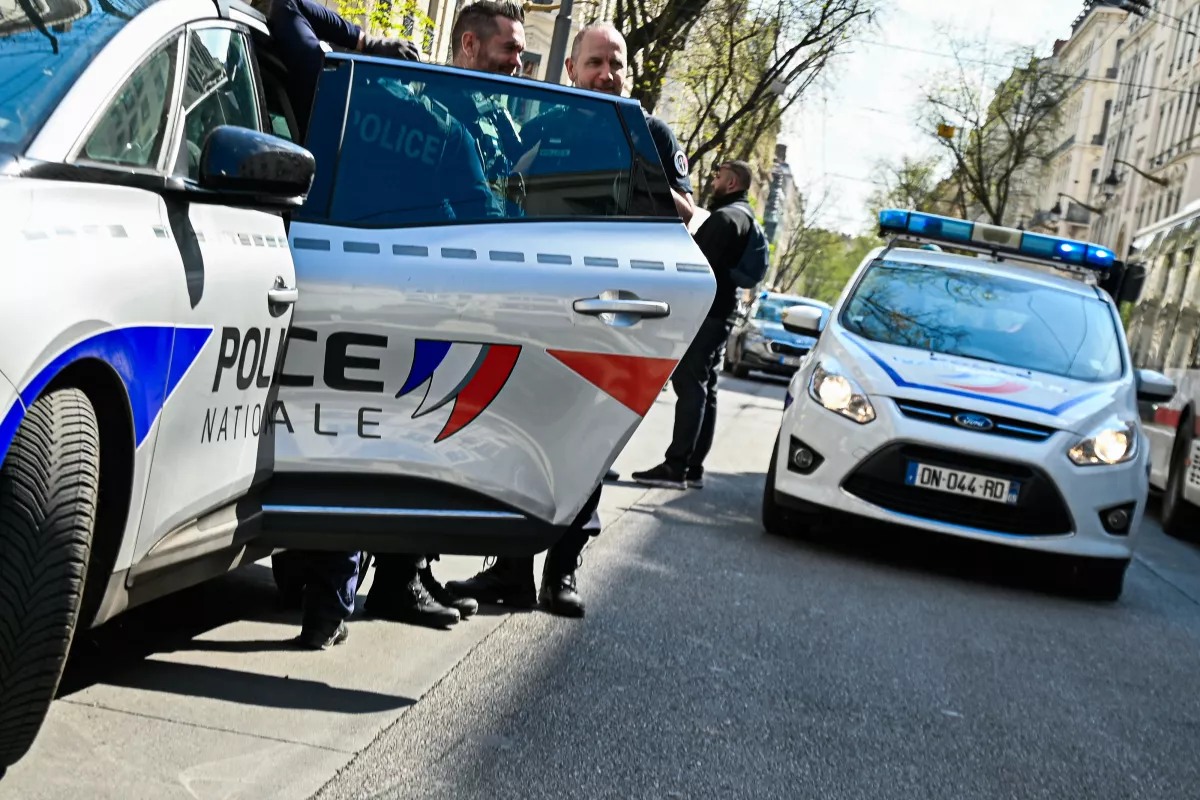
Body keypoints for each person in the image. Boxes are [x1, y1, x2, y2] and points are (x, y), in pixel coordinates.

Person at [263, 2, 500, 647]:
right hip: (395, 300)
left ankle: (298, 573)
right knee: (356, 441)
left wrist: (356, 35)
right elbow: (480, 216)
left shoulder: (331, 87)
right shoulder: (446, 128)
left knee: (299, 425)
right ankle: (328, 602)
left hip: (314, 273)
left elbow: (288, 15)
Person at [445, 23, 694, 619]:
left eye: (616, 63)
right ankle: (509, 569)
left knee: (587, 445)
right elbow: (501, 194)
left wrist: (642, 176)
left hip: (611, 316)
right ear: (572, 71)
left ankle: (562, 571)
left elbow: (687, 214)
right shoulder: (547, 125)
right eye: (595, 63)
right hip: (539, 311)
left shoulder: (649, 132)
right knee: (523, 439)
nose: (606, 74)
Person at [365, 0, 530, 629]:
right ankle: (396, 580)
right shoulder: (436, 115)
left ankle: (408, 569)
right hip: (438, 294)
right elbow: (464, 209)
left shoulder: (487, 114)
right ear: (467, 44)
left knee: (435, 433)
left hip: (462, 290)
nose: (518, 62)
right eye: (509, 49)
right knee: (425, 432)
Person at [632, 160, 756, 490]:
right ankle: (693, 467)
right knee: (706, 387)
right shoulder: (744, 217)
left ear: (731, 184)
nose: (713, 182)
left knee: (690, 386)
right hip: (722, 312)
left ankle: (676, 466)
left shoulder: (725, 219)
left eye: (718, 178)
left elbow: (694, 264)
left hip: (707, 313)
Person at [257, 0, 418, 142]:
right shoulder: (332, 92)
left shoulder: (326, 88)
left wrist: (367, 43)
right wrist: (367, 43)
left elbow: (287, 5)